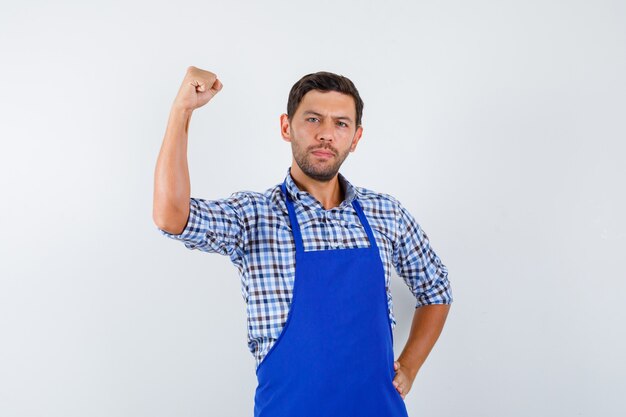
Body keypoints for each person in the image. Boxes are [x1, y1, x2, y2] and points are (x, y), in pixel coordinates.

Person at [153, 66, 452, 416]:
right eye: (313, 119)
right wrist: (182, 110)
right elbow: (171, 216)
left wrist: (411, 365)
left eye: (340, 123)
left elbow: (436, 288)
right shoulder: (254, 216)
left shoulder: (385, 213)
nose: (326, 134)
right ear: (286, 127)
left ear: (355, 138)